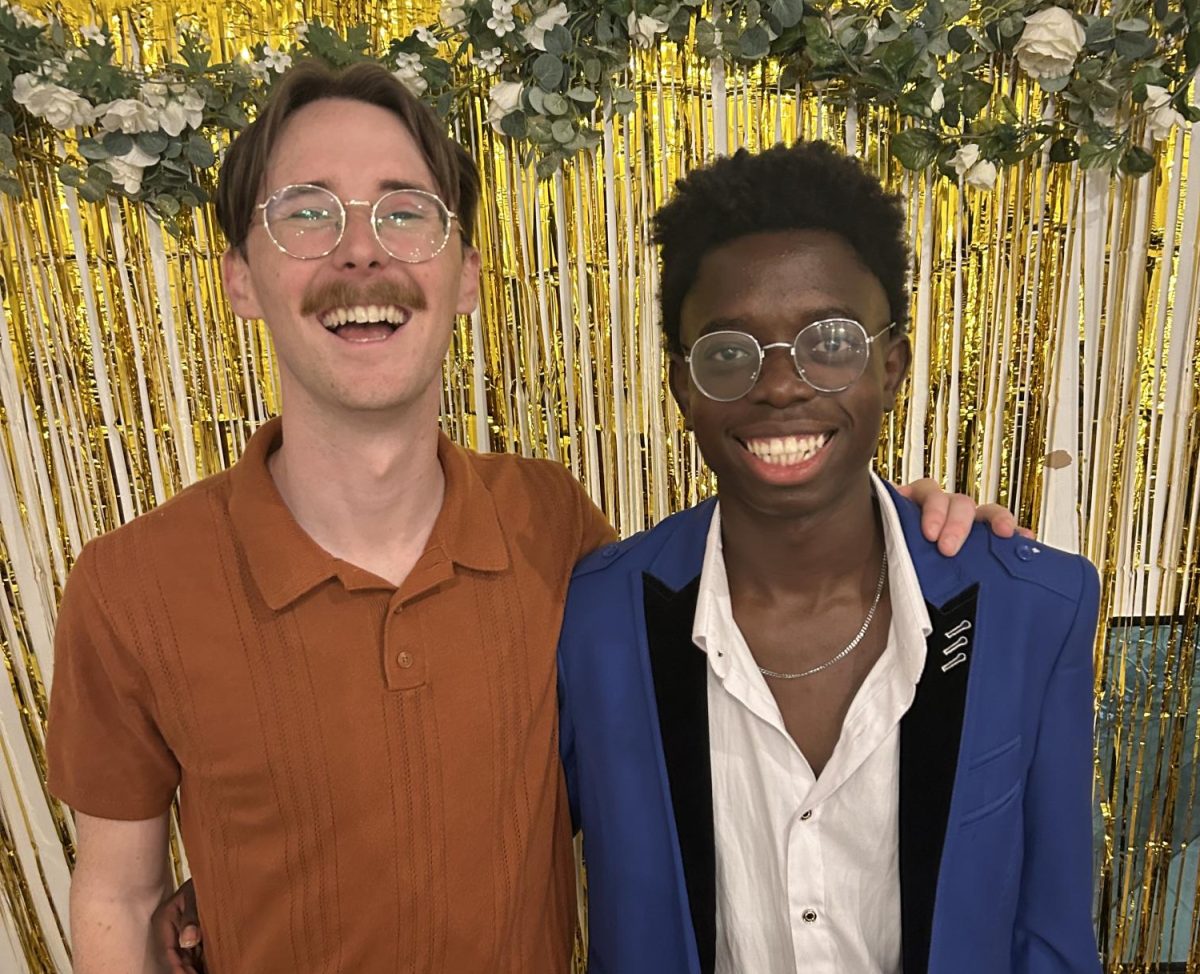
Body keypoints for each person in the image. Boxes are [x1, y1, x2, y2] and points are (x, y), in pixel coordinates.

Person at [47, 62, 1018, 974]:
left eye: (403, 210)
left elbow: (727, 686)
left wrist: (896, 524)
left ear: (464, 274)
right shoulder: (133, 584)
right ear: (240, 279)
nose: (360, 247)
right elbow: (122, 897)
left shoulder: (559, 533)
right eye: (307, 212)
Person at [557, 141, 1101, 974]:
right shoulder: (591, 618)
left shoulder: (1033, 608)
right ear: (682, 387)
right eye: (730, 352)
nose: (780, 385)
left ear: (892, 365)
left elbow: (1052, 936)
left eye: (829, 342)